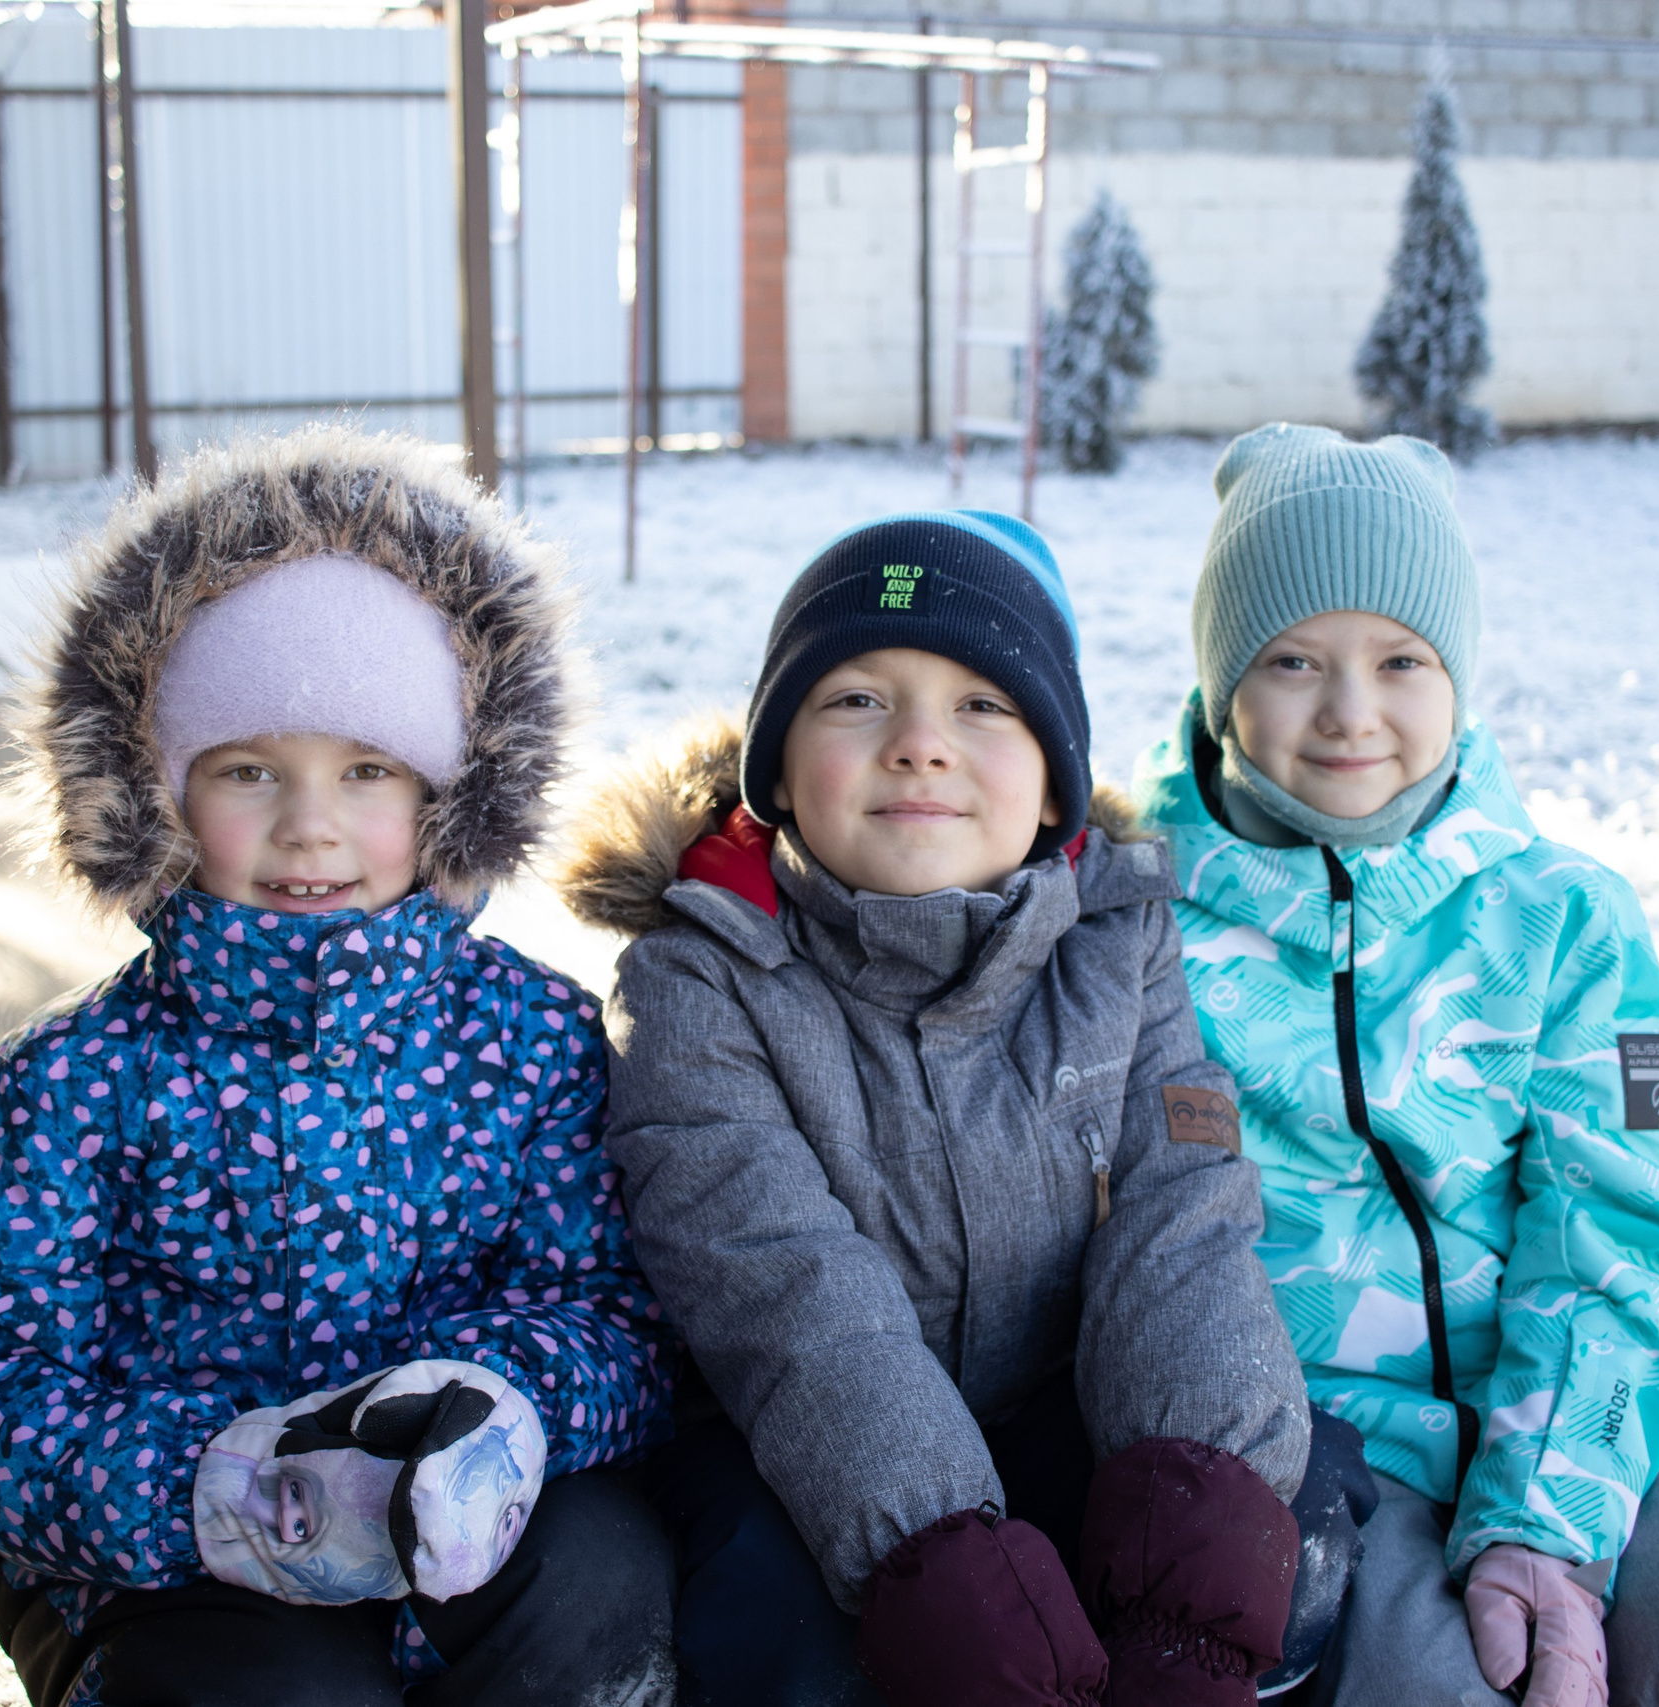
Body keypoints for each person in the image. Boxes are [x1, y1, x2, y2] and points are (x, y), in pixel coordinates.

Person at [0, 428, 681, 1707]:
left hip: (474, 1528)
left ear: (451, 799)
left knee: (602, 1590)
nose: (311, 825)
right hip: (163, 1568)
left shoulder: (532, 1043)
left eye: (368, 772)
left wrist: (500, 1408)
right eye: (250, 772)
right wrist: (216, 1489)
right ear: (157, 796)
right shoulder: (74, 1082)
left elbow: (616, 1310)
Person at [1130, 423, 1659, 1707]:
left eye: (1400, 660)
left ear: (1459, 674)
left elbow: (1628, 1218)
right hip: (1319, 1446)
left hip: (1580, 1399)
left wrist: (1550, 1510)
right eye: (1292, 659)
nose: (1351, 711)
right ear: (1220, 684)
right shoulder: (1138, 924)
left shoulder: (1565, 917)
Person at [561, 511, 1368, 1707]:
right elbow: (786, 1295)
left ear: (1054, 785)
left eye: (983, 707)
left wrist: (1183, 1611)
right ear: (776, 773)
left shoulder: (1116, 939)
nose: (920, 747)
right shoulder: (705, 976)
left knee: (1277, 1518)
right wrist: (948, 1575)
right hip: (803, 1441)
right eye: (856, 702)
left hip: (1054, 1396)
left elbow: (1181, 1224)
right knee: (776, 1624)